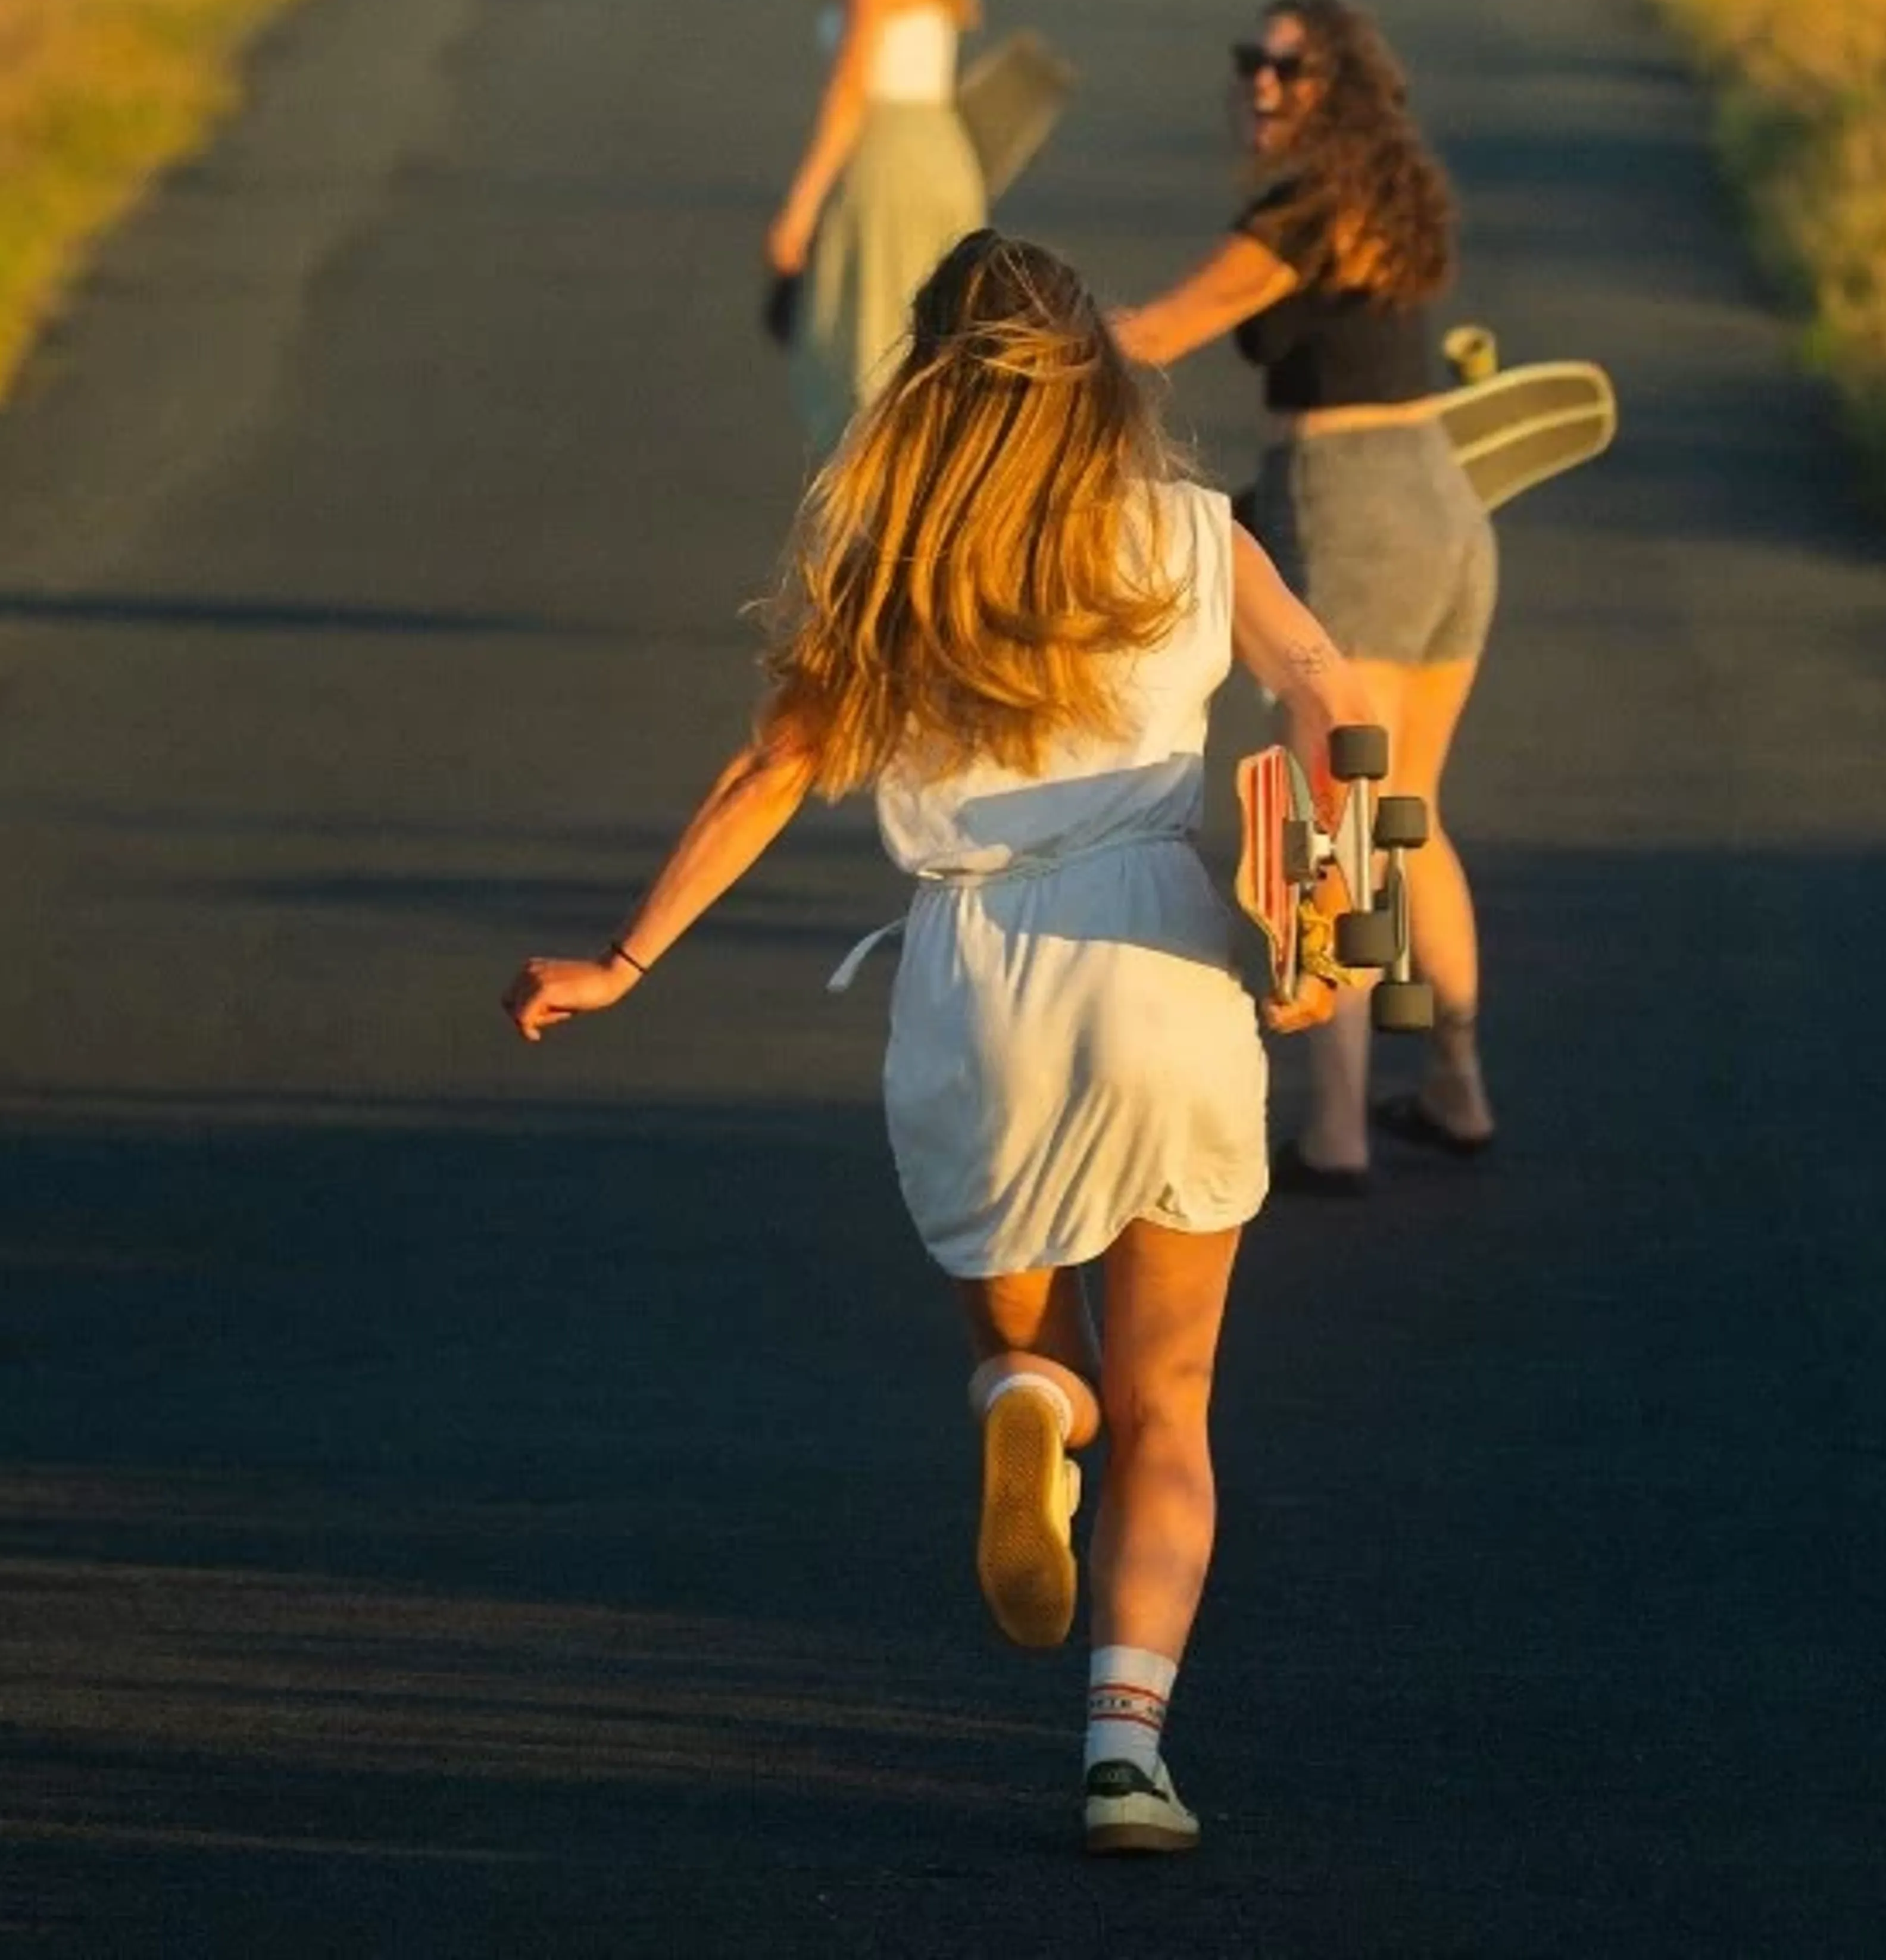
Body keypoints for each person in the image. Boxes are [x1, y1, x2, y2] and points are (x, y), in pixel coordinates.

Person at [502, 232, 1377, 1854]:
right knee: (1174, 1406)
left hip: (978, 983)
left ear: (925, 388)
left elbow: (764, 774)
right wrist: (1335, 870)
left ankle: (1023, 1408)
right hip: (1163, 965)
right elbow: (1325, 692)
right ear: (1097, 380)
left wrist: (626, 959)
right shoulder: (1195, 537)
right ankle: (1127, 1752)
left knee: (1036, 1352)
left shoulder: (897, 570)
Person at [1112, 0, 1498, 1191]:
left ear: (1346, 85)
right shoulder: (1392, 203)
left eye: (1295, 65)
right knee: (1407, 809)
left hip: (1349, 503)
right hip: (1443, 501)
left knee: (1328, 821)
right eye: (1255, 62)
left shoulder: (1299, 216)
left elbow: (1159, 333)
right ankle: (1455, 1082)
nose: (1267, 83)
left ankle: (1335, 1126)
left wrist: (1014, 343)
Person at [767, 0, 987, 462]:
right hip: (941, 152)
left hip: (888, 160)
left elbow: (853, 83)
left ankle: (884, 529)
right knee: (927, 348)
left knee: (868, 351)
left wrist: (800, 208)